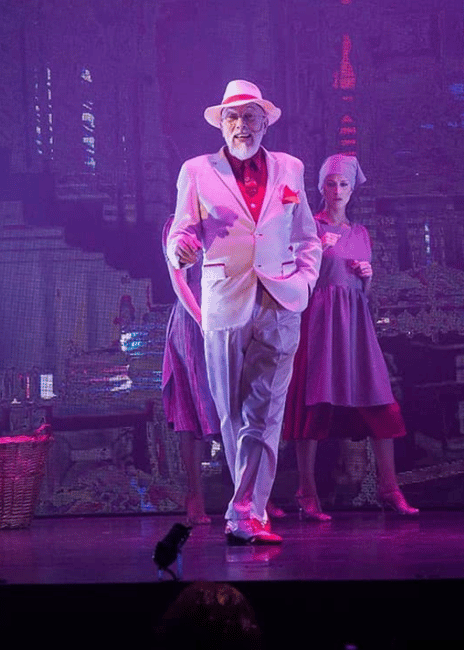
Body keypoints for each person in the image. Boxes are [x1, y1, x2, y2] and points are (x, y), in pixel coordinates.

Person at [166, 80, 322, 545]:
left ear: (265, 122)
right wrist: (180, 249)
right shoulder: (196, 171)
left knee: (266, 411)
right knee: (232, 414)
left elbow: (308, 236)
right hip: (225, 301)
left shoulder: (290, 168)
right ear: (221, 124)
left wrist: (304, 281)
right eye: (232, 118)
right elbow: (181, 230)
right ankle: (248, 511)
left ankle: (245, 513)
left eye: (250, 117)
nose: (241, 126)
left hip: (281, 300)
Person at [281, 154, 418, 519]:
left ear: (353, 189)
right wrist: (316, 253)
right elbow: (296, 279)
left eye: (344, 184)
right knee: (313, 402)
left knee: (378, 398)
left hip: (355, 323)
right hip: (319, 321)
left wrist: (367, 276)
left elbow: (361, 291)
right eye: (331, 183)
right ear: (321, 187)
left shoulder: (360, 233)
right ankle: (306, 490)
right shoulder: (308, 226)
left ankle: (389, 487)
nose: (337, 190)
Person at [161, 215, 221, 526]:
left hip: (228, 311)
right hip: (193, 317)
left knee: (237, 404)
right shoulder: (178, 227)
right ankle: (194, 494)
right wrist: (201, 320)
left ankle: (251, 491)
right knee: (193, 407)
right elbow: (179, 281)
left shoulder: (224, 220)